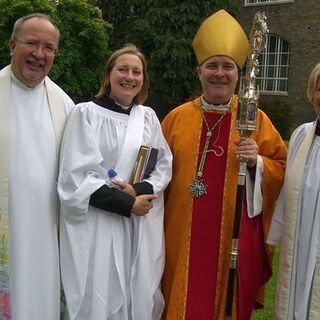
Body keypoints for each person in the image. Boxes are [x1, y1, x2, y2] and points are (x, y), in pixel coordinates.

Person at [161, 10, 287, 320]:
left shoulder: (254, 119)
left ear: (238, 73)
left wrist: (257, 161)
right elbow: (156, 173)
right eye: (212, 66)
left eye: (227, 66)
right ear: (199, 71)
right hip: (180, 237)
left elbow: (282, 168)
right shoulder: (177, 119)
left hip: (234, 240)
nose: (220, 73)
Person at [58, 44, 172, 320]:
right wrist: (126, 203)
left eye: (136, 71)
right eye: (122, 69)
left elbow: (163, 164)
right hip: (99, 224)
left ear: (143, 79)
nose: (129, 77)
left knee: (136, 296)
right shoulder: (85, 113)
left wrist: (138, 192)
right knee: (99, 295)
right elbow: (75, 178)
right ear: (108, 74)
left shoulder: (148, 118)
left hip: (137, 225)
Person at [0, 13, 74, 320]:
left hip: (45, 233)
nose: (39, 54)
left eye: (49, 47)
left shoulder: (65, 105)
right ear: (12, 45)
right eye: (32, 43)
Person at [267, 63, 320, 319]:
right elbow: (286, 190)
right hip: (298, 242)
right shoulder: (301, 135)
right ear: (312, 93)